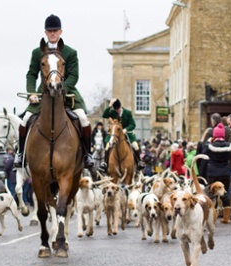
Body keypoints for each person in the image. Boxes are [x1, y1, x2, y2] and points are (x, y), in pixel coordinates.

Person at [13, 14, 94, 169]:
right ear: (45, 32)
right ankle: (21, 154)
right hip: (43, 93)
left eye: (55, 30)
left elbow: (73, 75)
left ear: (60, 32)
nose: (52, 33)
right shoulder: (37, 52)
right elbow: (31, 74)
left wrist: (63, 89)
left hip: (67, 92)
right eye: (49, 31)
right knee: (25, 120)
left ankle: (87, 154)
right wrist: (31, 93)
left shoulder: (70, 52)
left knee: (83, 119)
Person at [101, 98, 146, 171]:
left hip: (127, 134)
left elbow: (132, 124)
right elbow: (104, 115)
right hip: (115, 134)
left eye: (118, 109)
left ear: (120, 106)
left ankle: (139, 162)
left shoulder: (127, 112)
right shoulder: (112, 112)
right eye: (116, 109)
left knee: (135, 146)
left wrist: (126, 129)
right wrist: (109, 105)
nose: (117, 111)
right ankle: (105, 163)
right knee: (107, 146)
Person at [203, 123, 231, 224]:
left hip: (213, 172)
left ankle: (212, 216)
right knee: (224, 194)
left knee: (211, 195)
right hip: (225, 172)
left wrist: (208, 141)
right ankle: (226, 218)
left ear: (214, 135)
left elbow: (204, 153)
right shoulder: (229, 146)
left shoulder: (210, 146)